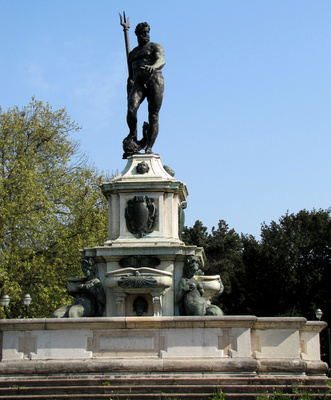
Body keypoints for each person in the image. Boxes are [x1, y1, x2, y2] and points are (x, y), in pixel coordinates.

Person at [123, 22, 165, 159]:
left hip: (155, 80)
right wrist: (129, 83)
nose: (146, 35)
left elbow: (161, 60)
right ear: (137, 34)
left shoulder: (154, 47)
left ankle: (149, 147)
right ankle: (132, 134)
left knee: (153, 115)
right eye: (143, 33)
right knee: (131, 109)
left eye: (147, 32)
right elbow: (131, 74)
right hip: (139, 82)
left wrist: (153, 66)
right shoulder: (133, 53)